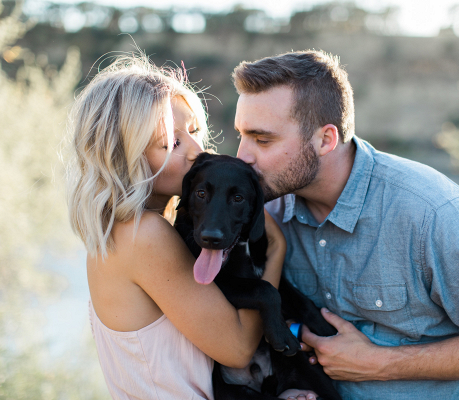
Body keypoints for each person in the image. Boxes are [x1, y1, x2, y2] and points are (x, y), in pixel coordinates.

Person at [233, 50, 459, 399]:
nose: (242, 156)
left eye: (262, 140)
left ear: (325, 140)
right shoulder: (268, 212)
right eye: (241, 136)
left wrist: (380, 363)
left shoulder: (431, 212)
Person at [66, 55, 311, 400]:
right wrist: (274, 250)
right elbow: (238, 348)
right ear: (125, 156)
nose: (197, 151)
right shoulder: (144, 236)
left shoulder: (124, 231)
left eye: (195, 131)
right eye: (172, 143)